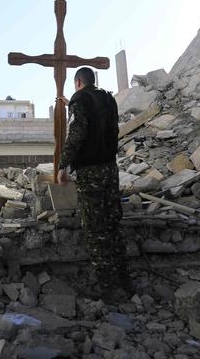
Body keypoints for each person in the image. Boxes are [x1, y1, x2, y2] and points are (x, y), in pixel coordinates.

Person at [56, 67, 133, 301]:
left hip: (90, 171)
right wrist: (73, 104)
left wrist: (63, 165)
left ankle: (108, 289)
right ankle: (125, 281)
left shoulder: (80, 99)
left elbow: (78, 133)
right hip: (110, 168)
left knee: (94, 228)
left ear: (78, 82)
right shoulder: (108, 98)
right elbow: (104, 125)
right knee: (112, 222)